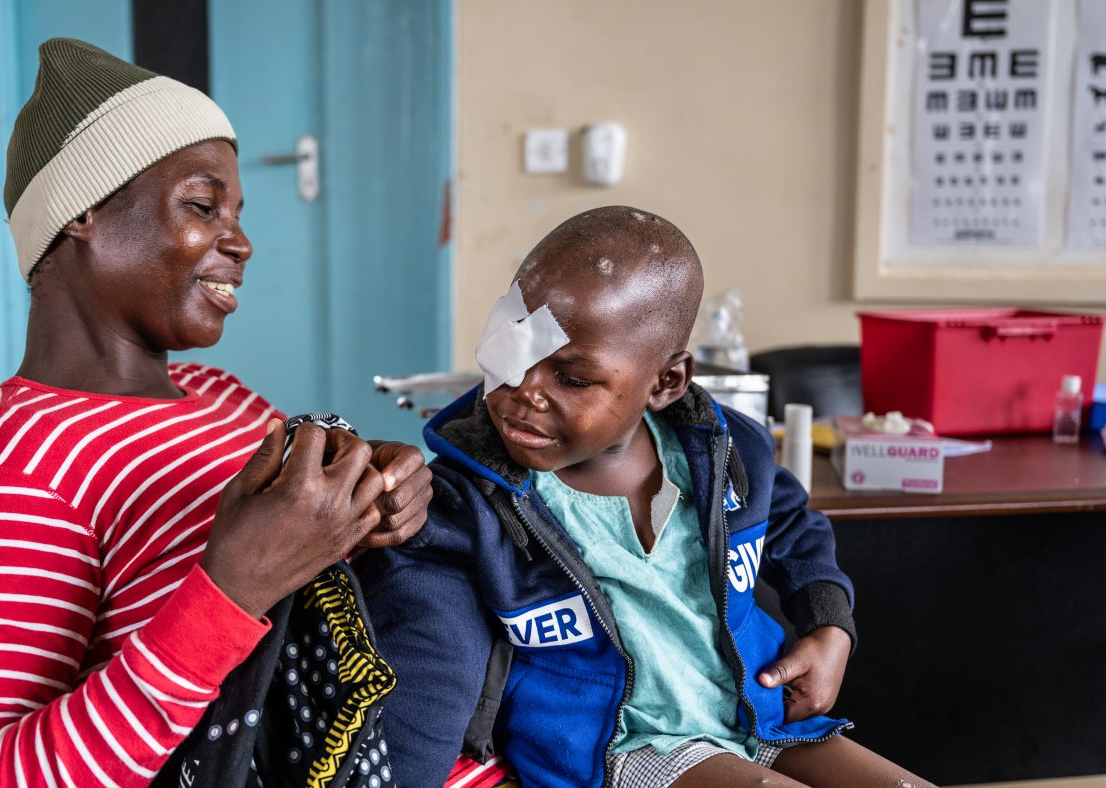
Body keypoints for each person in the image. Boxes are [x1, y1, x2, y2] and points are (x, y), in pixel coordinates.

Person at [0, 39, 432, 787]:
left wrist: (369, 501)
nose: (241, 243)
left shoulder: (219, 396)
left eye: (238, 213)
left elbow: (303, 604)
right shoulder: (9, 479)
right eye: (202, 206)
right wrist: (228, 593)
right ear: (83, 210)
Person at [356, 207, 934, 788]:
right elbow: (426, 672)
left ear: (666, 383)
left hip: (758, 716)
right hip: (627, 750)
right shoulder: (464, 510)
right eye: (511, 351)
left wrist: (829, 624)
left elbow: (792, 522)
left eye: (573, 379)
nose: (524, 390)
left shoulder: (728, 454)